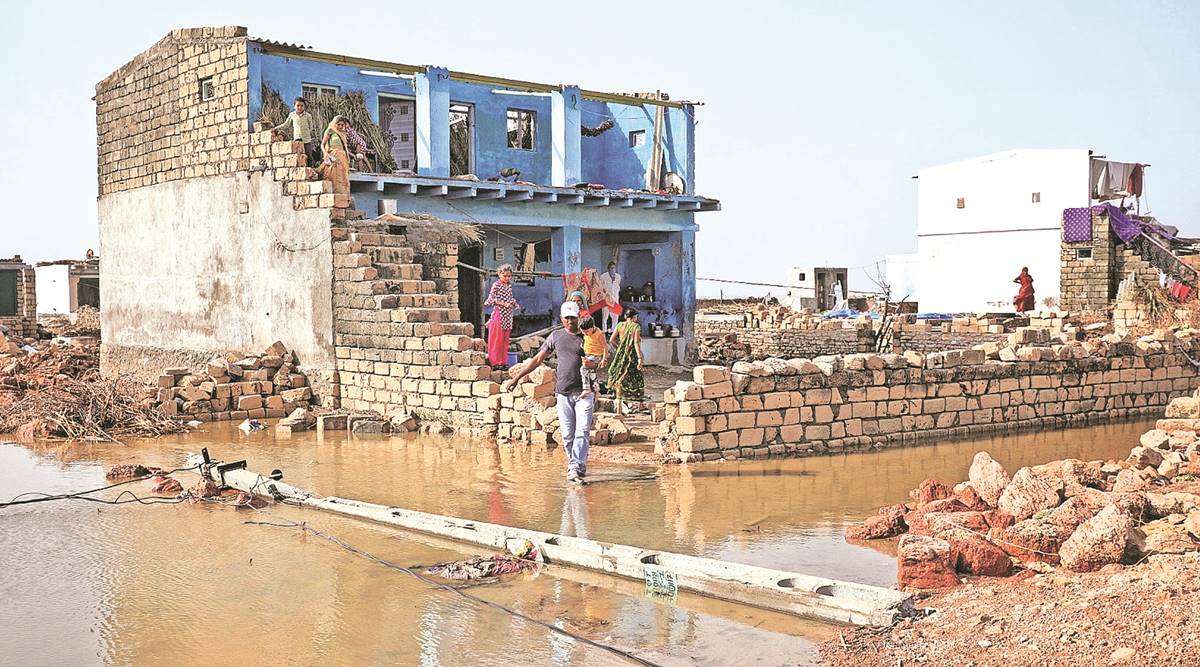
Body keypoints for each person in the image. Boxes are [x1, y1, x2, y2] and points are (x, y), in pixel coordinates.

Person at [504, 302, 595, 483]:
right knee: (568, 435)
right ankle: (577, 466)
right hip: (563, 392)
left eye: (573, 318)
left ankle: (574, 467)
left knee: (582, 430)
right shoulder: (556, 336)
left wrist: (594, 364)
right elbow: (538, 359)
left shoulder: (588, 336)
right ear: (562, 319)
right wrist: (517, 378)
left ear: (579, 318)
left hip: (585, 392)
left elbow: (602, 360)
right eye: (567, 318)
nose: (570, 321)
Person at [606, 308, 645, 415]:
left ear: (625, 317)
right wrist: (640, 357)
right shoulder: (635, 326)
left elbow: (611, 340)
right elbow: (636, 343)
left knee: (620, 373)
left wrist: (619, 348)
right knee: (633, 375)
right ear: (634, 317)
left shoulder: (619, 326)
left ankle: (619, 396)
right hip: (631, 354)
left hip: (621, 354)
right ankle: (633, 399)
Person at [485, 264, 521, 368]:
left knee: (505, 339)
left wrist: (515, 304)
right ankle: (495, 362)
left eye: (509, 276)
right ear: (500, 275)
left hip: (508, 314)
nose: (507, 278)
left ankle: (503, 361)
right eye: (505, 276)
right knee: (497, 338)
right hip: (499, 313)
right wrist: (503, 304)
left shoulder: (509, 286)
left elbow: (510, 298)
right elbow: (490, 300)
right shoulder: (496, 285)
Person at [271, 97, 319, 167]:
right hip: (297, 138)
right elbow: (286, 124)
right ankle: (299, 172)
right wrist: (276, 128)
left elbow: (311, 127)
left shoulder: (308, 116)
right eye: (298, 105)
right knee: (298, 156)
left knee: (309, 156)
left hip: (306, 139)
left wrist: (307, 133)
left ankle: (310, 171)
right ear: (294, 106)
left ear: (304, 107)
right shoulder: (292, 115)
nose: (300, 107)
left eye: (302, 106)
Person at [320, 115, 352, 195]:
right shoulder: (330, 130)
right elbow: (322, 145)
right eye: (338, 124)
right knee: (332, 176)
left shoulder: (343, 134)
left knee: (343, 178)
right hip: (333, 157)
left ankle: (343, 197)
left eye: (342, 125)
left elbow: (344, 147)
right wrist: (325, 153)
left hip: (342, 158)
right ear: (334, 124)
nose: (340, 126)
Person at [578, 315, 608, 399]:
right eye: (583, 332)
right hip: (588, 355)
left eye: (587, 332)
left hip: (596, 355)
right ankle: (596, 390)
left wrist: (604, 359)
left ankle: (586, 388)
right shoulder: (586, 333)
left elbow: (605, 347)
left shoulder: (600, 334)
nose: (585, 333)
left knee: (583, 368)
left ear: (592, 326)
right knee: (591, 373)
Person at [597, 261, 622, 334]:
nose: (613, 269)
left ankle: (614, 331)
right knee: (605, 316)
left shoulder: (618, 277)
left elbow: (617, 286)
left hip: (615, 299)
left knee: (615, 316)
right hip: (606, 300)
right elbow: (600, 287)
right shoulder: (603, 277)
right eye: (611, 268)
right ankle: (604, 331)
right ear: (608, 269)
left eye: (614, 268)